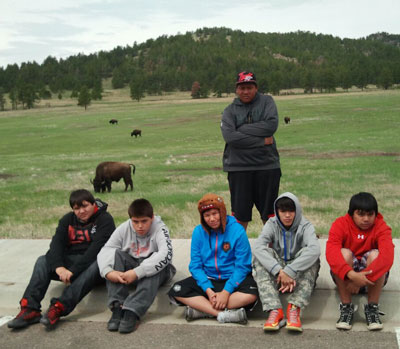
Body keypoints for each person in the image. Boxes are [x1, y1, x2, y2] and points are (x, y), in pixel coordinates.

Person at [8, 189, 115, 330]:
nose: (81, 211)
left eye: (85, 206)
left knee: (97, 263)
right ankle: (30, 309)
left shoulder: (105, 220)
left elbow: (95, 251)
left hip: (95, 269)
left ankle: (59, 307)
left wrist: (73, 271)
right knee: (42, 260)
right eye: (76, 208)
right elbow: (56, 245)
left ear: (93, 204)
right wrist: (59, 267)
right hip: (70, 266)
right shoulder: (67, 220)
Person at [168, 193, 258, 324]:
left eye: (215, 213)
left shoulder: (237, 230)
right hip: (209, 280)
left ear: (222, 212)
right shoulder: (198, 232)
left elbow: (243, 266)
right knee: (176, 290)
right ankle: (221, 314)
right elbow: (195, 266)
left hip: (233, 279)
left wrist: (226, 292)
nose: (211, 219)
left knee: (253, 293)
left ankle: (202, 310)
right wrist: (208, 291)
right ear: (202, 218)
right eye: (207, 215)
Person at [97, 198, 175, 334]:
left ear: (152, 217)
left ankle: (132, 310)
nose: (140, 226)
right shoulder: (125, 227)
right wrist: (108, 272)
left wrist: (138, 272)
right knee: (116, 254)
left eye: (144, 221)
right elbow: (106, 249)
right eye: (135, 222)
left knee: (155, 263)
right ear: (131, 219)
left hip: (158, 272)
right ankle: (118, 306)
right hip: (132, 267)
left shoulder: (160, 228)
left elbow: (166, 254)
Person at [220, 71, 281, 231]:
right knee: (239, 217)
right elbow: (230, 137)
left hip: (267, 166)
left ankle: (272, 251)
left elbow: (271, 126)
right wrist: (261, 140)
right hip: (239, 168)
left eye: (249, 87)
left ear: (256, 88)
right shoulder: (229, 110)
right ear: (236, 89)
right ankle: (239, 253)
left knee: (270, 216)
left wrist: (241, 129)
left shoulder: (267, 102)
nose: (246, 91)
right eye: (242, 88)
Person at [252, 192, 320, 332]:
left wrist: (290, 271)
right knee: (260, 256)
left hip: (297, 273)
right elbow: (258, 247)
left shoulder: (305, 225)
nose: (287, 215)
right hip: (278, 271)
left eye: (291, 211)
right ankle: (275, 310)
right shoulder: (272, 224)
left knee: (312, 258)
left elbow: (314, 249)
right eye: (283, 211)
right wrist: (279, 270)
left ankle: (294, 308)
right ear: (277, 211)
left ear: (297, 211)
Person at [326, 192, 394, 331]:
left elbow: (387, 257)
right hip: (346, 280)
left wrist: (361, 278)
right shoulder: (340, 224)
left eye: (370, 214)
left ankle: (372, 308)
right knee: (343, 254)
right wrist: (351, 275)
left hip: (372, 280)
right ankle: (346, 307)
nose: (366, 219)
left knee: (376, 255)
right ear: (352, 214)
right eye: (361, 214)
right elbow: (331, 253)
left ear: (376, 214)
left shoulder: (381, 226)